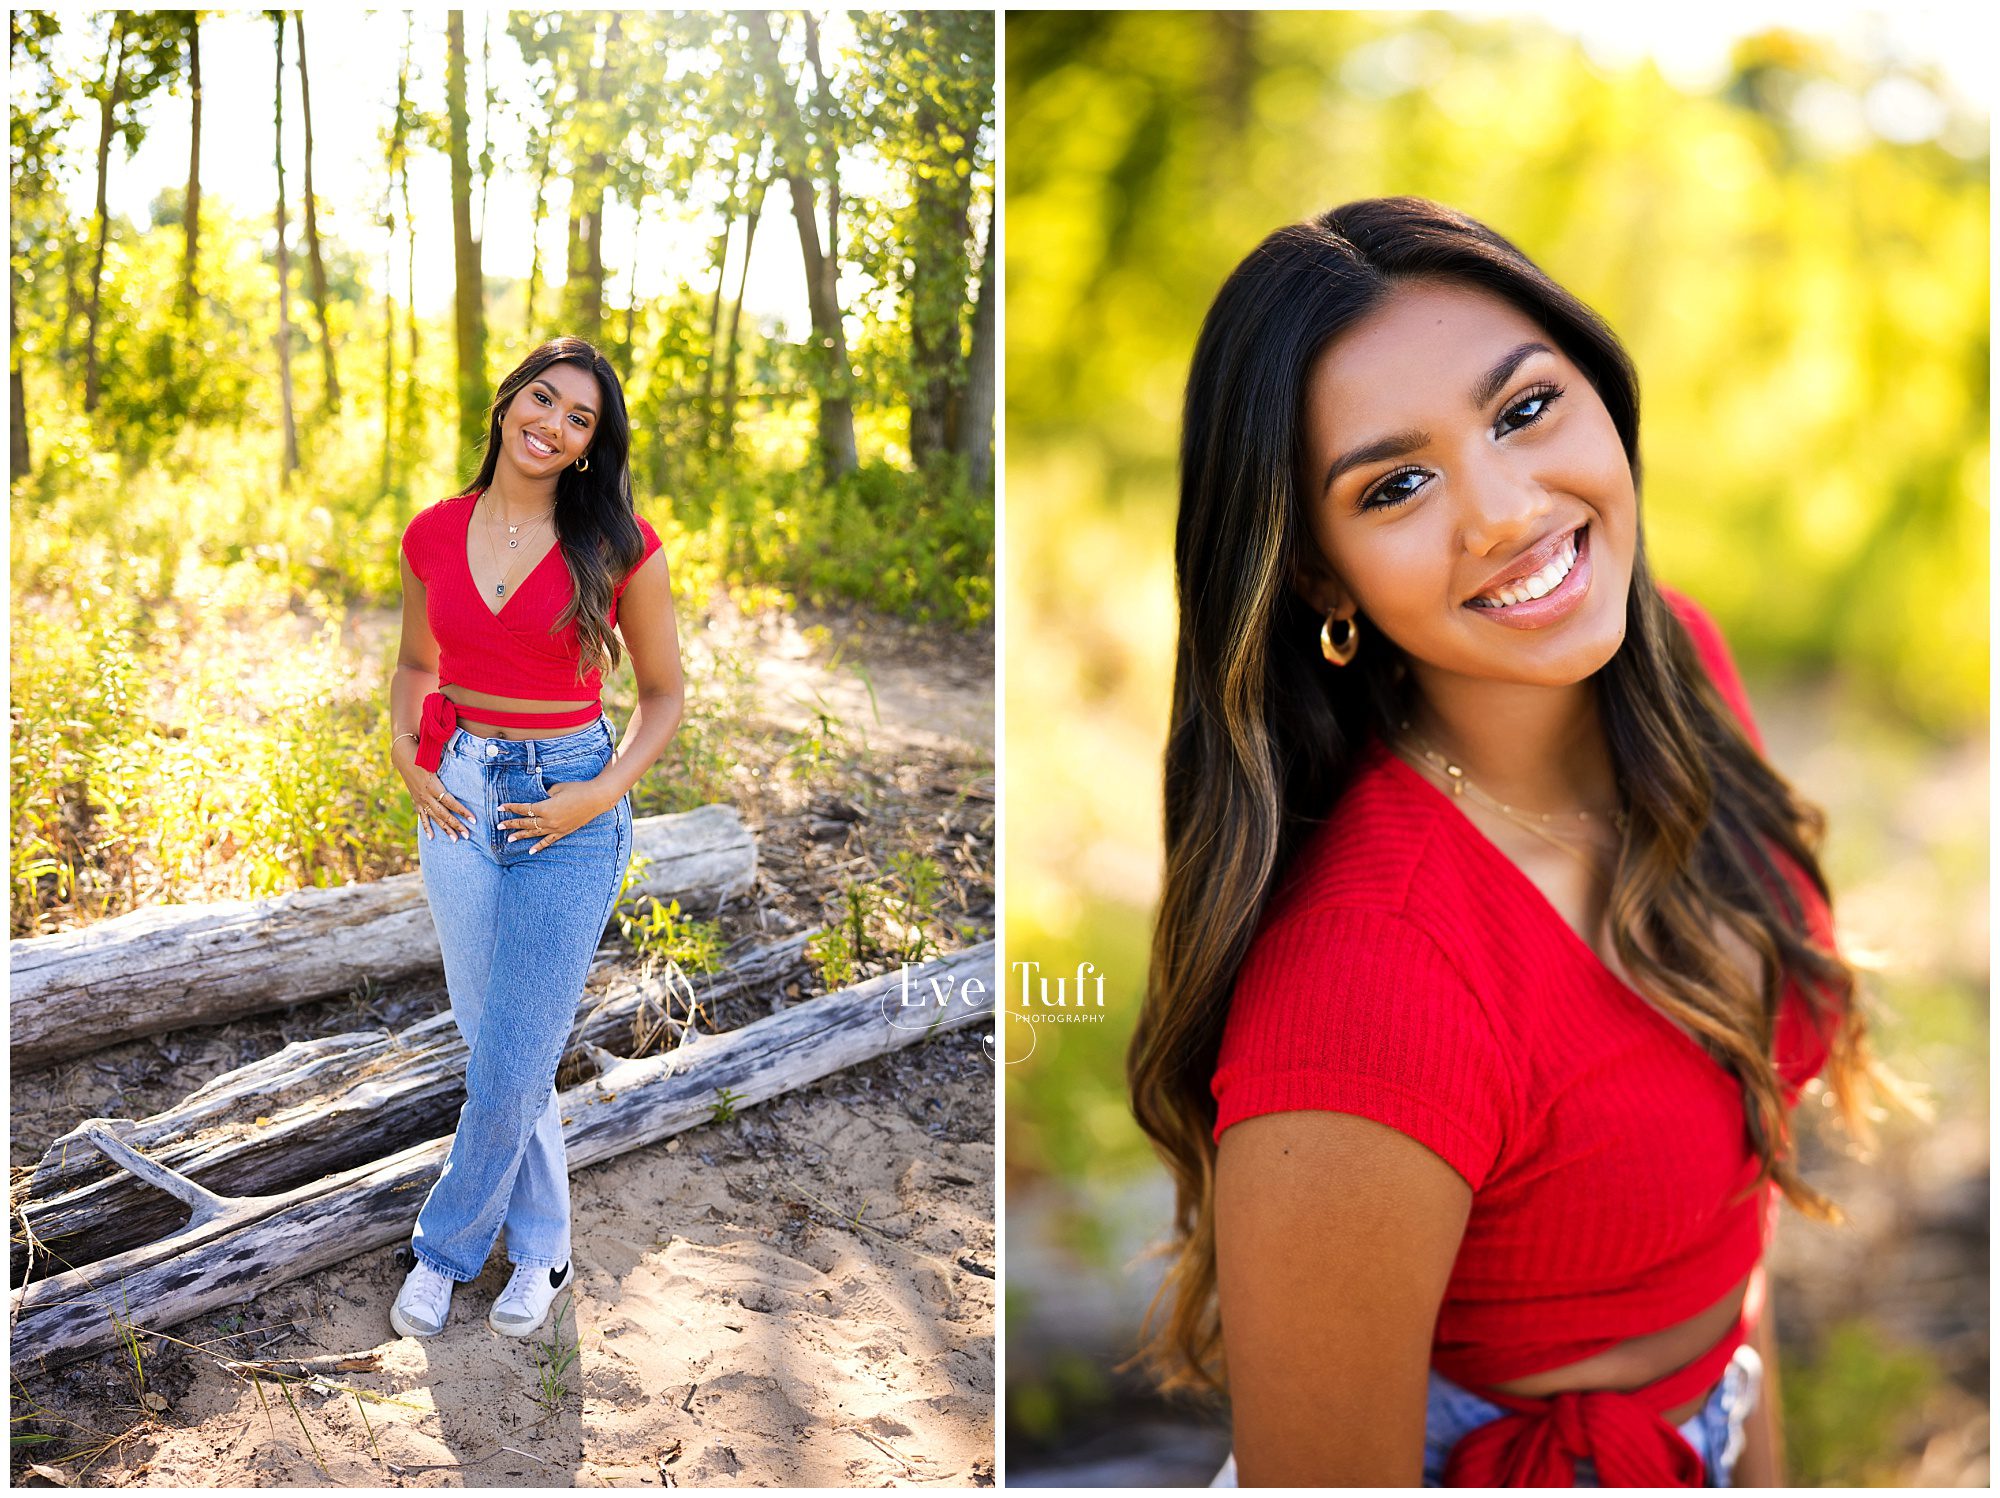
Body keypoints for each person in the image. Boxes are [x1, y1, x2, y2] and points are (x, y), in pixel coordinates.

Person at [1125, 198, 1921, 1485]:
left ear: (1601, 396)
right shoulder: (1368, 980)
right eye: (1394, 484)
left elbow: (1727, 1223)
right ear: (1320, 578)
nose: (1500, 510)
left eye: (1523, 408)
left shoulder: (1678, 666)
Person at [387, 336, 684, 1340]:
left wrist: (593, 796)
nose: (550, 424)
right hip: (460, 795)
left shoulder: (618, 545)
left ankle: (445, 1249)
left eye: (578, 418)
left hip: (567, 795)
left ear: (591, 445)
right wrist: (407, 753)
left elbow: (663, 696)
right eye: (541, 399)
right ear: (506, 399)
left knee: (514, 1055)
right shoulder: (432, 533)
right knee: (501, 1046)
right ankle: (547, 1242)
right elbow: (413, 665)